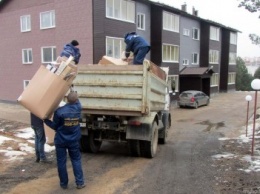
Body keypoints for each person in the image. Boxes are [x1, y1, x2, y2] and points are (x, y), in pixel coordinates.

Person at [44, 91, 85, 190]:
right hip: (74, 140)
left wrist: (46, 120)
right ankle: (80, 183)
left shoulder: (59, 112)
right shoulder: (78, 108)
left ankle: (64, 184)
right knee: (76, 160)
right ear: (76, 100)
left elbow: (54, 126)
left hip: (61, 140)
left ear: (66, 99)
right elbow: (77, 101)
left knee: (61, 162)